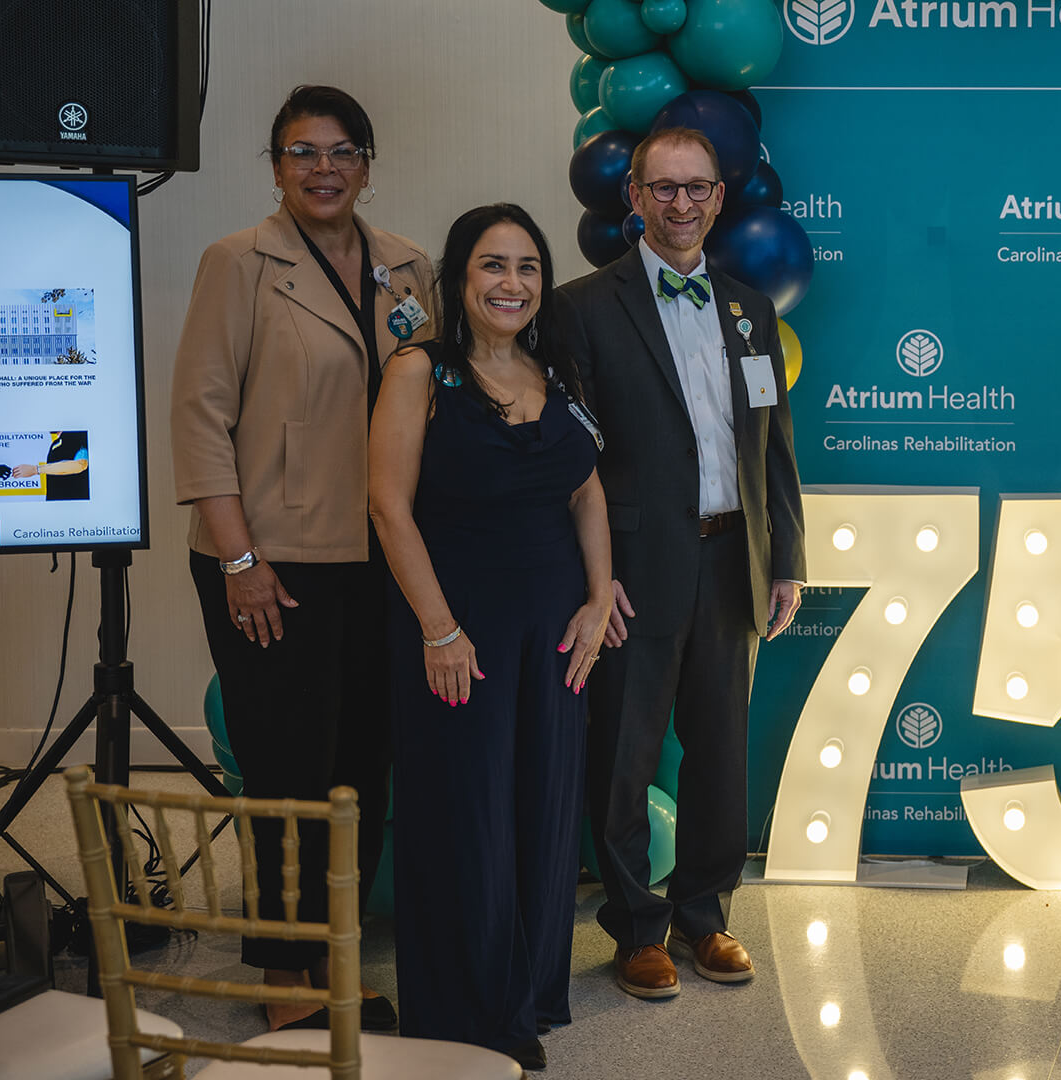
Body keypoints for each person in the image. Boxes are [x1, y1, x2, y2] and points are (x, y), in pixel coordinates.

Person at [170, 84, 429, 1032]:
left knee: (360, 769)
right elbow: (199, 416)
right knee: (286, 770)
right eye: (302, 152)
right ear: (276, 167)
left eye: (341, 151)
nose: (324, 169)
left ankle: (336, 959)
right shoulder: (237, 262)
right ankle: (285, 976)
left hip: (379, 557)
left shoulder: (410, 267)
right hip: (270, 561)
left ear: (367, 163)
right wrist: (238, 561)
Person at [548, 127, 806, 1000]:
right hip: (632, 568)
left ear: (719, 198)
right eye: (663, 187)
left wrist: (785, 556)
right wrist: (593, 579)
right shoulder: (583, 307)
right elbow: (571, 462)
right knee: (624, 755)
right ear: (635, 197)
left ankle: (705, 915)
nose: (681, 203)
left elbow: (772, 444)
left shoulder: (749, 309)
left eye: (697, 187)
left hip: (734, 559)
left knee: (721, 754)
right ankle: (635, 929)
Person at [369, 204, 627, 1070]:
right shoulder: (420, 370)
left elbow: (586, 490)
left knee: (544, 808)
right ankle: (470, 1012)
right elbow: (387, 506)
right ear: (459, 276)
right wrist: (438, 628)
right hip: (459, 630)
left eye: (527, 267)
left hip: (553, 630)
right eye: (492, 265)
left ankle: (529, 992)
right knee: (466, 812)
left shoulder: (556, 371)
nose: (511, 283)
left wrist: (599, 596)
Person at [11, 430, 89, 500]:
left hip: (75, 503)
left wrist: (36, 470)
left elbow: (81, 464)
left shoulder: (76, 435)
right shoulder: (56, 443)